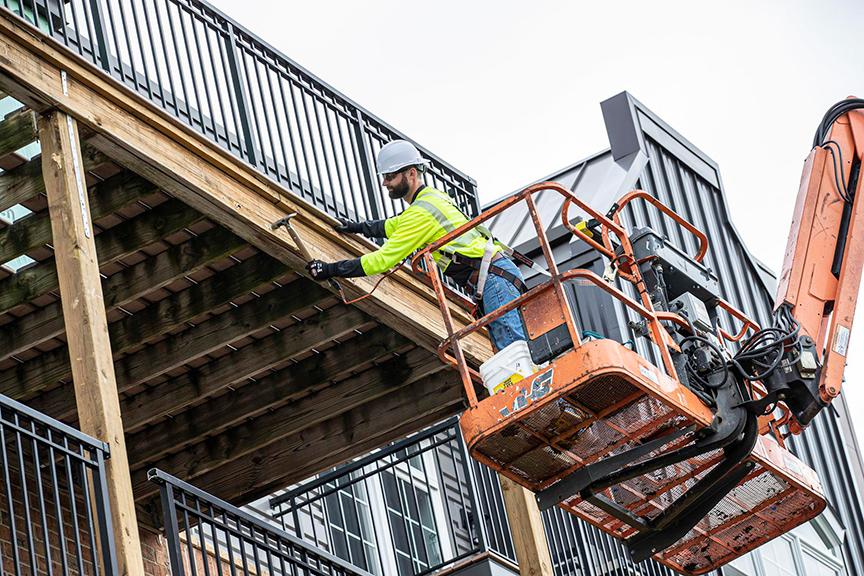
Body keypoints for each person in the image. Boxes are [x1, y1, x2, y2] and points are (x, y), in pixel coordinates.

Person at [305, 140, 527, 351]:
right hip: (496, 275)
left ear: (411, 173)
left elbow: (382, 260)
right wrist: (358, 227)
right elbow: (393, 225)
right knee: (511, 349)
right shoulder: (430, 199)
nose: (385, 183)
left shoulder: (421, 213)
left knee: (511, 350)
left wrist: (329, 269)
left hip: (492, 278)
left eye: (390, 176)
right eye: (384, 176)